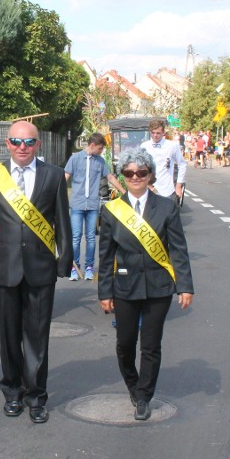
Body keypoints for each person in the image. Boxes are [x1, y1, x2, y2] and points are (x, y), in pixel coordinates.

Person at [0, 121, 73, 424]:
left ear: (37, 145)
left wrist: (64, 260)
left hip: (40, 270)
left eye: (28, 142)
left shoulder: (53, 176)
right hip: (4, 269)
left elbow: (63, 222)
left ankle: (36, 396)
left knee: (38, 337)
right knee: (9, 337)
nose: (22, 148)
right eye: (16, 142)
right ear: (7, 144)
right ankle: (12, 391)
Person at [97, 148, 194, 421]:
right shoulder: (113, 210)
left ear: (150, 174)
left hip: (158, 287)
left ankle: (144, 395)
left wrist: (185, 286)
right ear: (123, 176)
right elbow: (105, 256)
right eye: (129, 173)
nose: (135, 177)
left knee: (151, 345)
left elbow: (178, 250)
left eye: (141, 172)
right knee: (125, 344)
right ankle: (132, 383)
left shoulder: (166, 206)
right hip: (125, 287)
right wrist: (104, 291)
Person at [64, 133, 109, 281]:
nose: (101, 151)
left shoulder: (100, 161)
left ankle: (89, 267)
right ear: (92, 145)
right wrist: (55, 196)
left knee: (90, 237)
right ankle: (74, 267)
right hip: (77, 204)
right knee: (76, 237)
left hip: (92, 206)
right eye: (100, 148)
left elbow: (109, 177)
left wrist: (123, 192)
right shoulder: (75, 159)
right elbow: (65, 178)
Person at [139, 120, 186, 201]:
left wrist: (178, 185)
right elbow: (140, 167)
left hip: (166, 189)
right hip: (148, 189)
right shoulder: (144, 146)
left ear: (163, 133)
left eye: (158, 133)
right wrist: (147, 185)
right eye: (153, 133)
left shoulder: (172, 146)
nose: (155, 135)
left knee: (166, 213)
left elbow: (182, 164)